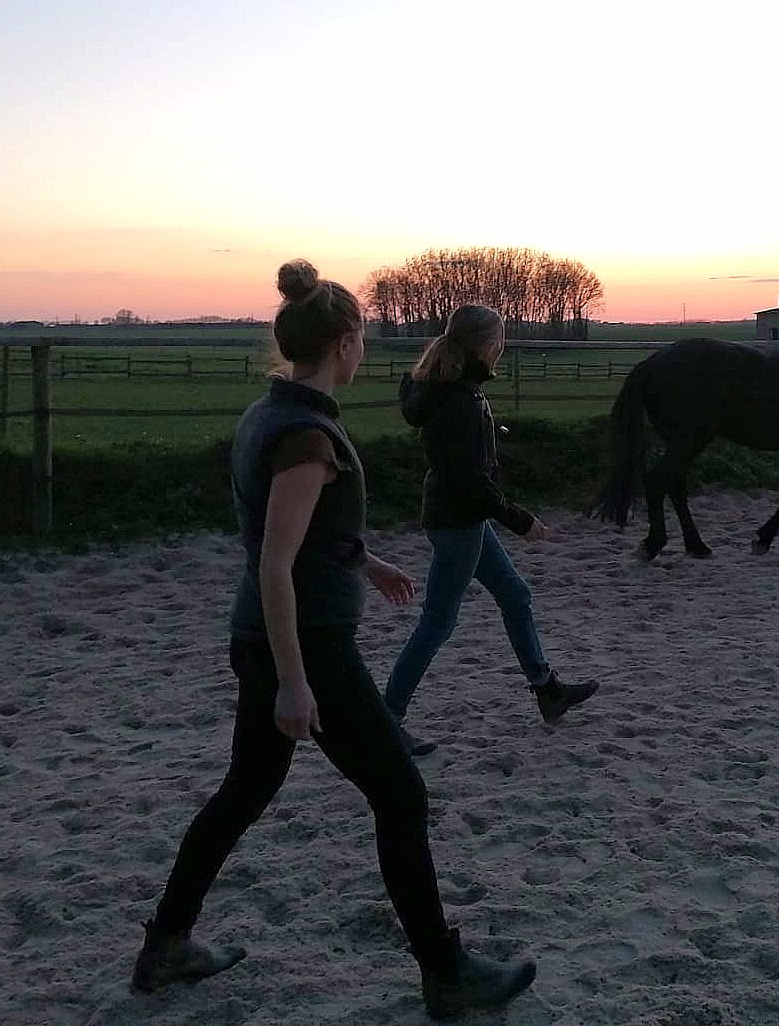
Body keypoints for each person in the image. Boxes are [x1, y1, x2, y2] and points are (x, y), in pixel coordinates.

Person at [130, 262, 536, 1018]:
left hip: (267, 635)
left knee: (244, 791)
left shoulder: (271, 413)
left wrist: (367, 559)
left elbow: (301, 534)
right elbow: (275, 563)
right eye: (363, 341)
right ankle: (446, 974)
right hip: (307, 643)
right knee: (401, 794)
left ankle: (166, 944)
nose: (366, 353)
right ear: (344, 341)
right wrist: (293, 680)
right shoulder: (308, 438)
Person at [385, 303, 600, 754]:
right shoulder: (460, 401)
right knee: (437, 623)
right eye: (499, 339)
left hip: (461, 519)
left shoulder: (451, 389)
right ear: (487, 345)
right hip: (458, 522)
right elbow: (471, 483)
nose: (501, 347)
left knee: (515, 595)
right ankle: (387, 720)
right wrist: (522, 521)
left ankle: (548, 691)